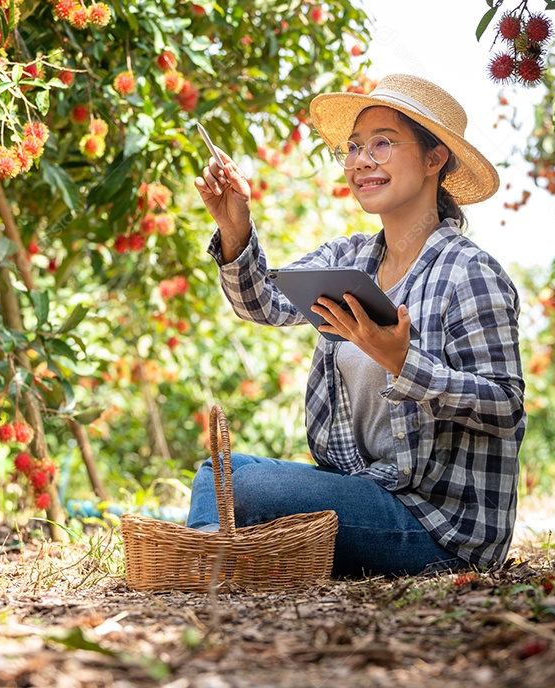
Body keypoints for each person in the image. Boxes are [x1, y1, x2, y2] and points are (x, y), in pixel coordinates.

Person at [188, 74, 525, 576]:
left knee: (246, 489)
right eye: (353, 148)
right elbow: (264, 304)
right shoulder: (348, 259)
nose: (360, 161)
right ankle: (211, 564)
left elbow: (506, 406)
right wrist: (235, 226)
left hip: (438, 529)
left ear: (435, 160)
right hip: (369, 489)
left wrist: (403, 363)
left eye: (382, 144)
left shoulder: (469, 273)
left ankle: (207, 565)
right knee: (219, 472)